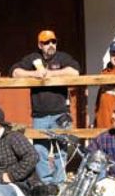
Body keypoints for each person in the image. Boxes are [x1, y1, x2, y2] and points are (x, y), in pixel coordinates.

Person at [12, 29, 81, 184]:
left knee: (61, 150)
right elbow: (15, 72)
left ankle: (59, 182)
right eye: (46, 42)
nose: (50, 45)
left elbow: (75, 72)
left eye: (53, 41)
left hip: (60, 113)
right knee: (39, 151)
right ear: (40, 45)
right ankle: (46, 183)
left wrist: (50, 74)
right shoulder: (32, 58)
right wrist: (34, 74)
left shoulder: (62, 57)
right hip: (40, 115)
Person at [93, 40, 115, 130]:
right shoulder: (104, 73)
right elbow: (99, 100)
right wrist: (95, 119)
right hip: (101, 124)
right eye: (113, 54)